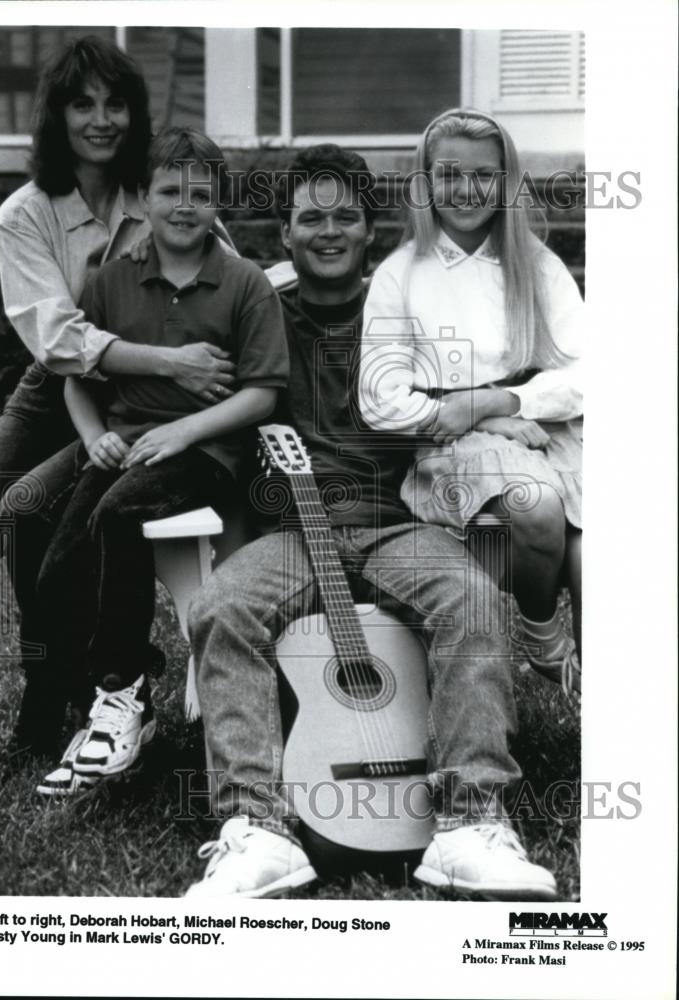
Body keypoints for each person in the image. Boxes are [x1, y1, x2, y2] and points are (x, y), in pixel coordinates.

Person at [184, 144, 558, 901]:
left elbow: (476, 382)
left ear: (370, 229)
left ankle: (470, 826)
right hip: (294, 533)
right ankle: (257, 830)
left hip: (398, 523)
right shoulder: (258, 313)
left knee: (472, 601)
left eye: (345, 217)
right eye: (310, 219)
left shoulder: (407, 311)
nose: (328, 232)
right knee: (222, 606)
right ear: (284, 234)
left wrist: (496, 413)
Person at [15, 127, 289, 795]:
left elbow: (262, 393)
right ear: (143, 198)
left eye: (200, 192)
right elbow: (79, 377)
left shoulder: (244, 282)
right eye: (169, 191)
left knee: (119, 515)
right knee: (58, 567)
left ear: (219, 201)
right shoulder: (112, 281)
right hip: (125, 450)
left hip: (207, 453)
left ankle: (125, 696)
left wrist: (186, 431)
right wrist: (92, 437)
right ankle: (93, 713)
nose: (184, 205)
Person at [0, 36, 236, 754]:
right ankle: (65, 666)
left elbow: (225, 277)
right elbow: (59, 341)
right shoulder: (25, 214)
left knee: (35, 510)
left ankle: (66, 687)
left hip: (150, 400)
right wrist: (169, 360)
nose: (101, 120)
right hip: (62, 385)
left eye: (116, 104)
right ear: (55, 115)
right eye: (82, 104)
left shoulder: (159, 189)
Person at [359, 108, 582, 697]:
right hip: (450, 442)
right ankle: (540, 629)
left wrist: (500, 401)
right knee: (536, 508)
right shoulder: (402, 274)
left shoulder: (536, 265)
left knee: (594, 548)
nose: (465, 190)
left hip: (541, 425)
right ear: (426, 180)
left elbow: (588, 373)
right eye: (449, 174)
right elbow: (380, 399)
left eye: (483, 175)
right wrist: (475, 415)